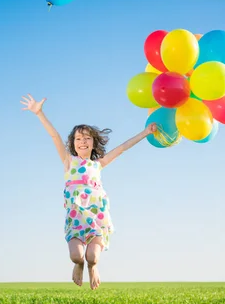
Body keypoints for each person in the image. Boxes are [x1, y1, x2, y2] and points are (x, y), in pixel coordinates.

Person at [20, 94, 157, 290]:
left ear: (93, 142)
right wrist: (39, 113)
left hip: (97, 218)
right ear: (73, 143)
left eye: (86, 138)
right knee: (76, 255)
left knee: (93, 257)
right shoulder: (68, 161)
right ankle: (79, 264)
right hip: (76, 219)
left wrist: (145, 132)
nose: (82, 141)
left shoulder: (98, 163)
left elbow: (123, 147)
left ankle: (92, 267)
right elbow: (54, 136)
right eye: (78, 138)